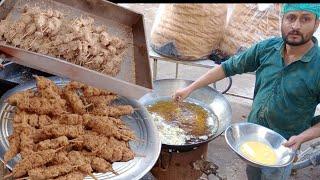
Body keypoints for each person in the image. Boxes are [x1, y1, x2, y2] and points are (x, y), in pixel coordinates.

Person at [173, 3, 320, 180]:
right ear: (282, 20)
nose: (295, 26)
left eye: (305, 19)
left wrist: (302, 137)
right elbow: (227, 68)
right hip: (253, 136)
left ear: (316, 23)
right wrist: (190, 88)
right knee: (252, 173)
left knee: (273, 176)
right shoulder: (268, 48)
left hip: (285, 146)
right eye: (291, 18)